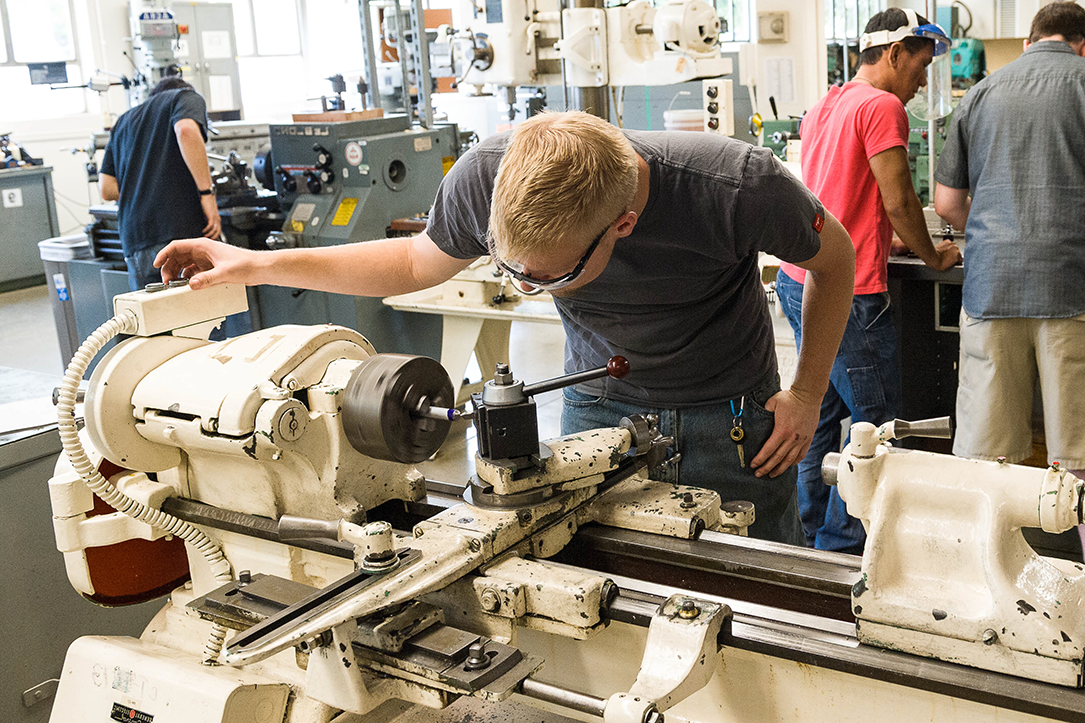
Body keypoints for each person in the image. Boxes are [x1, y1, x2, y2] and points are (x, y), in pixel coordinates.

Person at [155, 111, 855, 546]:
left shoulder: (735, 186)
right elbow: (412, 259)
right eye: (510, 270)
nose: (526, 289)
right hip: (598, 407)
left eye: (543, 280)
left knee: (758, 597)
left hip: (730, 419)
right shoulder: (490, 173)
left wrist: (807, 392)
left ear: (624, 225)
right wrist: (256, 265)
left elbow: (838, 259)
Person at [932, 1, 1085, 473]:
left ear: (1027, 43)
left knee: (987, 458)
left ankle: (992, 548)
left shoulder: (977, 94)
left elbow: (947, 204)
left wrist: (997, 232)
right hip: (1072, 286)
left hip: (990, 290)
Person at [776, 8, 960, 554]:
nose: (923, 80)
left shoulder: (826, 104)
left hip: (798, 277)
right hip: (850, 293)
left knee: (821, 411)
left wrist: (885, 238)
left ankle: (808, 528)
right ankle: (844, 543)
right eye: (921, 66)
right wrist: (932, 254)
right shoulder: (883, 107)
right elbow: (900, 199)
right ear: (895, 53)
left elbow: (841, 194)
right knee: (875, 422)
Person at [99, 76, 222, 290]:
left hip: (136, 238)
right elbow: (186, 130)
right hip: (179, 231)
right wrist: (206, 194)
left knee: (153, 317)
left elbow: (107, 189)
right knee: (200, 315)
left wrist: (144, 188)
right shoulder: (184, 97)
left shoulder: (123, 121)